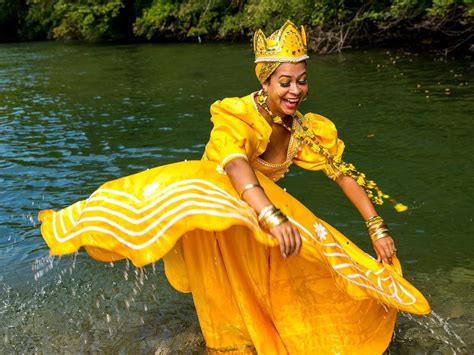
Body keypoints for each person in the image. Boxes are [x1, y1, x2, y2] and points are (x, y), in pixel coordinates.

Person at [39, 20, 430, 354]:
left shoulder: (307, 129)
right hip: (219, 208)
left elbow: (342, 173)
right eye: (284, 82)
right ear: (266, 80)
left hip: (257, 211)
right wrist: (271, 216)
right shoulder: (238, 114)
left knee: (309, 266)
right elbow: (237, 165)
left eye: (302, 81)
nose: (295, 91)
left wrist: (376, 227)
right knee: (232, 306)